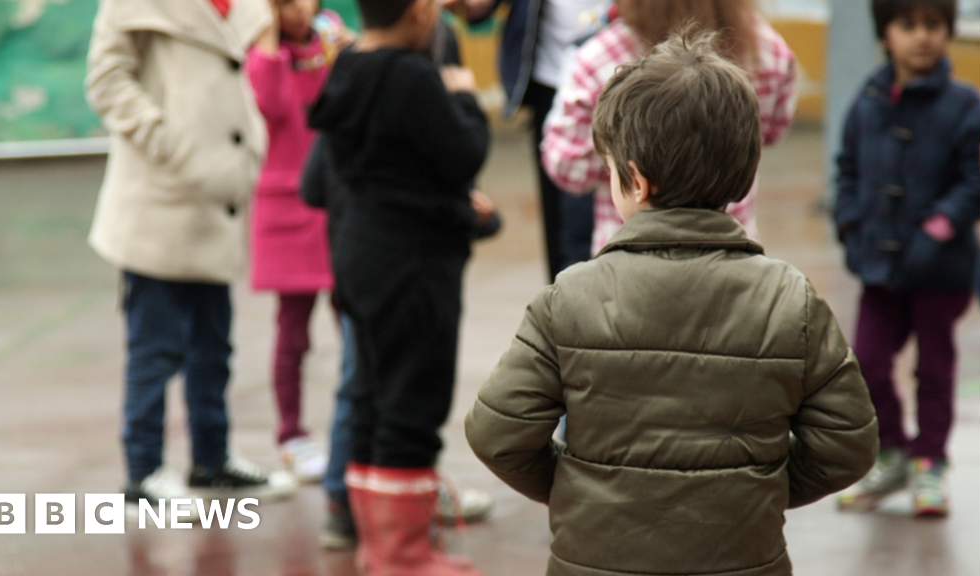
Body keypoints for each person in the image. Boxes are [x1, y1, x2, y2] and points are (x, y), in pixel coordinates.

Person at [466, 32, 879, 576]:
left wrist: (583, 491)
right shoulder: (789, 300)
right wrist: (753, 492)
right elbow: (848, 443)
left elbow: (497, 434)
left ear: (634, 181)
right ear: (744, 172)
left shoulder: (570, 297)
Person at [85, 0, 296, 513]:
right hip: (160, 197)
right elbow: (106, 80)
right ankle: (143, 471)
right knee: (155, 348)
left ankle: (211, 459)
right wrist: (166, 139)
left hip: (213, 201)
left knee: (212, 345)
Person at [307, 0, 491, 573]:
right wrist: (463, 95)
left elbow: (325, 181)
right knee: (414, 397)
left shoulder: (346, 68)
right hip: (413, 263)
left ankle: (376, 545)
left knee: (371, 395)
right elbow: (464, 153)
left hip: (358, 256)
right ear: (416, 12)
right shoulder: (413, 76)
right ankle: (405, 554)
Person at [834, 0, 980, 517]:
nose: (922, 36)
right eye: (908, 25)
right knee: (868, 364)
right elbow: (847, 167)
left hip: (940, 271)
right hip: (879, 267)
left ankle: (930, 464)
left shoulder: (967, 105)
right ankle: (893, 452)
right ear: (885, 35)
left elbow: (976, 180)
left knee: (936, 370)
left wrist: (938, 229)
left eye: (934, 25)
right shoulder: (868, 99)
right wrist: (850, 226)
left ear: (947, 31)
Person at [542, 0, 797, 255]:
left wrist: (615, 154)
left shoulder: (600, 58)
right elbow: (773, 130)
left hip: (631, 258)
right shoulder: (766, 49)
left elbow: (567, 168)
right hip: (733, 252)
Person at [247, 0, 351, 483]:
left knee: (355, 323)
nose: (301, 8)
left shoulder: (331, 42)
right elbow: (269, 106)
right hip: (288, 207)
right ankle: (291, 434)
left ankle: (354, 428)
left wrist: (350, 56)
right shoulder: (261, 54)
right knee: (293, 332)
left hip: (337, 203)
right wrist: (268, 41)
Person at [463, 0, 610, 282]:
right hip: (551, 81)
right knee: (563, 227)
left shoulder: (615, 44)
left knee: (590, 223)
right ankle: (564, 306)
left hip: (614, 79)